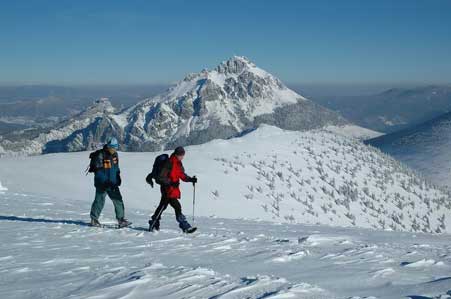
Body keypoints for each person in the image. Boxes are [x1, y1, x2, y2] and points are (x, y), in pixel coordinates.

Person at [148, 146, 197, 232]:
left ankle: (153, 223)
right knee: (176, 206)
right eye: (181, 155)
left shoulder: (178, 163)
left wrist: (190, 179)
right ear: (177, 154)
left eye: (183, 155)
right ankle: (185, 226)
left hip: (172, 189)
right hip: (167, 188)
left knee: (163, 206)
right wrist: (170, 182)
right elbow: (160, 177)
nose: (183, 157)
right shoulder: (169, 163)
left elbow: (181, 175)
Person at [89, 137, 130, 228]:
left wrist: (118, 177)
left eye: (115, 148)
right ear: (108, 146)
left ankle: (121, 220)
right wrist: (105, 181)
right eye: (112, 147)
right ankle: (94, 219)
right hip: (102, 183)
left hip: (112, 183)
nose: (114, 149)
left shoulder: (115, 155)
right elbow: (98, 171)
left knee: (118, 200)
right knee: (99, 201)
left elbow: (116, 168)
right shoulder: (101, 155)